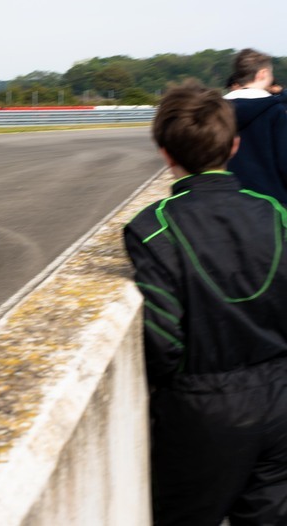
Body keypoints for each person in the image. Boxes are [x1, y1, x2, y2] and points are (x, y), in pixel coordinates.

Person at [124, 82, 287, 525]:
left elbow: (162, 341)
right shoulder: (272, 211)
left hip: (200, 408)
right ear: (233, 146)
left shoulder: (151, 227)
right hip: (278, 400)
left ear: (165, 153)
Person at [222, 48, 287, 205]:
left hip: (226, 199)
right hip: (270, 202)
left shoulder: (218, 110)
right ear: (262, 73)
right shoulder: (274, 110)